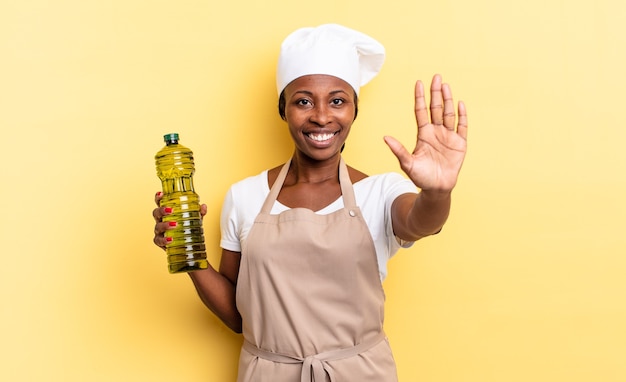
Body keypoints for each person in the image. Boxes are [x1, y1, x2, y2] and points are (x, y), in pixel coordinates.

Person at [152, 23, 467, 382]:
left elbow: (420, 222)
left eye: (337, 100)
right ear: (283, 109)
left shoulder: (380, 191)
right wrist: (187, 252)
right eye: (303, 101)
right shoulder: (244, 196)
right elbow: (239, 317)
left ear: (353, 110)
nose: (321, 116)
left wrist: (438, 192)